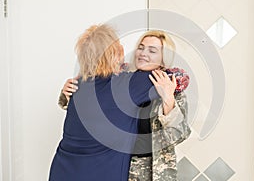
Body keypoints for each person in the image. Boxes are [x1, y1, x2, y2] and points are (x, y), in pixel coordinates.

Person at [49, 25, 178, 181]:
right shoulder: (132, 84)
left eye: (152, 51)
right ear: (118, 52)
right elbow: (177, 75)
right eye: (141, 48)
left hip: (62, 171)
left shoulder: (80, 84)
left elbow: (178, 133)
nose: (143, 53)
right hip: (101, 173)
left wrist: (169, 100)